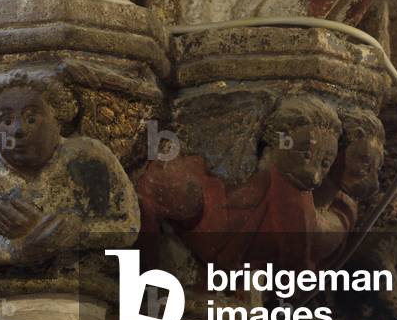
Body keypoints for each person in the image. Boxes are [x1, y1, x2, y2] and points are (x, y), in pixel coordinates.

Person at [0, 69, 139, 269]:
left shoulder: (88, 157)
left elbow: (129, 225)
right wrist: (15, 249)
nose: (18, 130)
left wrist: (73, 233)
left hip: (81, 280)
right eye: (5, 121)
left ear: (57, 118)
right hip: (0, 283)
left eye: (31, 118)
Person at [136, 95, 341, 274]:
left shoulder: (293, 199)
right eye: (305, 155)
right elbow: (146, 196)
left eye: (325, 164)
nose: (314, 177)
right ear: (276, 137)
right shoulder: (195, 184)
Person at [313, 108, 385, 265]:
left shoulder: (345, 210)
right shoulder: (293, 197)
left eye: (376, 169)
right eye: (365, 163)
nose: (373, 181)